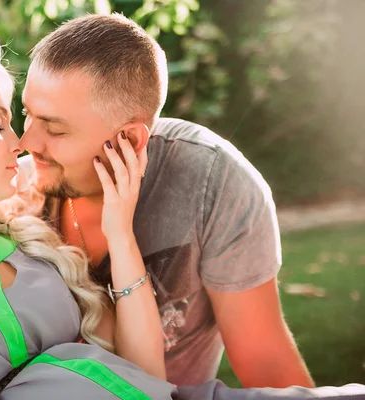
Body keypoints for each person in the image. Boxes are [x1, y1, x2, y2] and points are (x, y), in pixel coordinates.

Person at [0, 33, 365, 400]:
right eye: (5, 120)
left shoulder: (28, 244)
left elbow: (148, 373)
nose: (22, 139)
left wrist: (121, 232)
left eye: (50, 126)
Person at [16, 13, 313, 388]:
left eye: (55, 128)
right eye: (27, 114)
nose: (26, 144)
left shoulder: (212, 183)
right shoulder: (12, 192)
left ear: (131, 141)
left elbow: (266, 363)